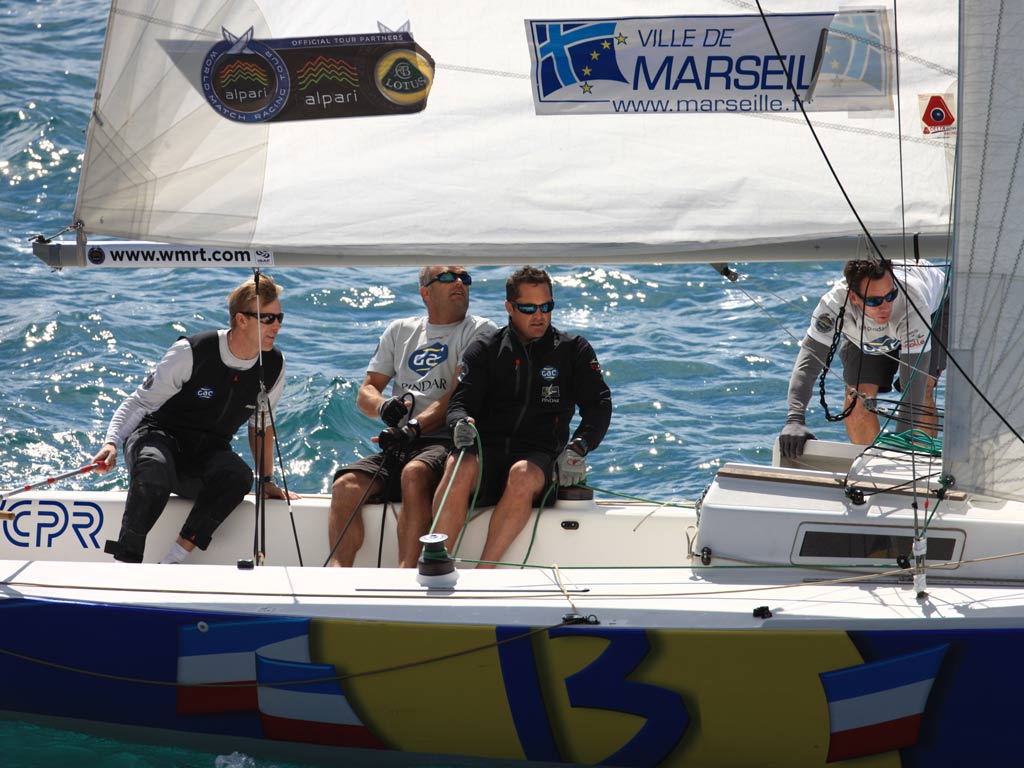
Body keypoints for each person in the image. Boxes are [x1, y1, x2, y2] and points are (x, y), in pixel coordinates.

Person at [92, 273, 297, 563]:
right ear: (241, 319)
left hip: (205, 454)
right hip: (157, 437)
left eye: (280, 318)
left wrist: (265, 480)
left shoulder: (274, 365)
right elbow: (139, 402)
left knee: (238, 477)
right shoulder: (192, 352)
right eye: (268, 319)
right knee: (153, 472)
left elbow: (261, 426)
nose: (277, 326)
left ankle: (173, 559)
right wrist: (112, 443)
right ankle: (126, 560)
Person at [433, 266, 612, 568]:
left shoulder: (573, 350)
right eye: (528, 308)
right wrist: (459, 424)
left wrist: (579, 447)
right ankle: (437, 563)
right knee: (458, 463)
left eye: (546, 307)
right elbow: (459, 404)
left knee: (521, 473)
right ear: (509, 308)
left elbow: (599, 406)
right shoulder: (485, 349)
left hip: (539, 459)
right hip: (488, 451)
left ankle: (483, 571)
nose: (539, 316)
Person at [327, 266, 495, 568]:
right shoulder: (400, 330)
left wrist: (414, 428)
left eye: (464, 278)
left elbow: (459, 394)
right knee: (346, 485)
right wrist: (383, 407)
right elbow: (367, 390)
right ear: (425, 292)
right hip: (402, 440)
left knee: (414, 473)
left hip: (446, 438)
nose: (459, 282)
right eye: (447, 277)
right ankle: (338, 574)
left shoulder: (480, 330)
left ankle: (407, 572)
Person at [779, 258, 947, 458]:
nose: (885, 306)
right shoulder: (834, 303)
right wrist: (795, 419)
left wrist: (903, 455)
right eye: (875, 301)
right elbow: (809, 363)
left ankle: (918, 459)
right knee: (857, 400)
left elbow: (914, 385)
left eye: (890, 295)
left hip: (933, 310)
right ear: (853, 297)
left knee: (924, 389)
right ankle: (871, 463)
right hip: (863, 331)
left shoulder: (913, 301)